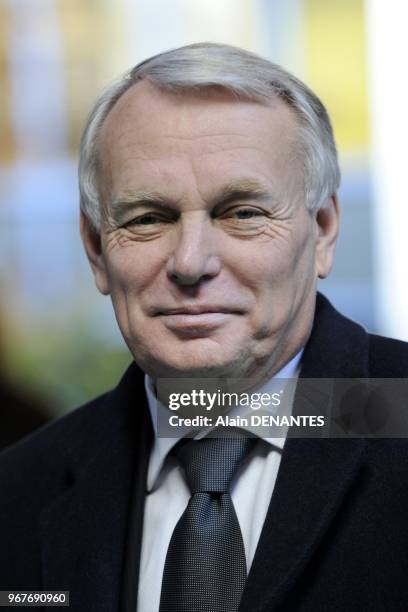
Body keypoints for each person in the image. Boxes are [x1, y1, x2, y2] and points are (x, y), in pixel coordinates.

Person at [0, 42, 407, 612]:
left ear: (323, 230)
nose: (191, 262)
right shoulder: (18, 494)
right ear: (96, 250)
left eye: (242, 213)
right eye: (148, 218)